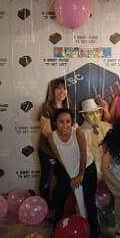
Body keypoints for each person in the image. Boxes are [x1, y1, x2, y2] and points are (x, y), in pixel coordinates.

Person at [48, 108, 100, 238]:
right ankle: (56, 232)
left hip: (87, 168)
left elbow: (83, 156)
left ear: (71, 122)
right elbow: (60, 158)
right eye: (61, 122)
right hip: (69, 169)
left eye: (68, 121)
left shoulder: (78, 132)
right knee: (60, 199)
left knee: (89, 201)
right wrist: (70, 176)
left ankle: (94, 233)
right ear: (55, 122)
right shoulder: (51, 137)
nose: (65, 125)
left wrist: (80, 175)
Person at [37, 78, 69, 211]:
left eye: (64, 88)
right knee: (47, 179)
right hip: (48, 150)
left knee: (64, 178)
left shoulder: (67, 107)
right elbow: (47, 132)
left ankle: (55, 204)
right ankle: (45, 207)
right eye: (59, 88)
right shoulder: (46, 107)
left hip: (63, 150)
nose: (62, 91)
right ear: (53, 91)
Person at [78, 98, 112, 182]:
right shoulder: (81, 133)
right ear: (84, 116)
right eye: (91, 114)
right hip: (93, 168)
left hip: (110, 165)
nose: (95, 116)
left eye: (97, 112)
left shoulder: (107, 126)